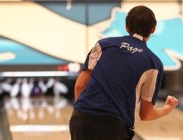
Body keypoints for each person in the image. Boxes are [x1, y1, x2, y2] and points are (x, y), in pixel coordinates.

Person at [69, 5, 179, 140]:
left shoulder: (103, 45)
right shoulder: (153, 63)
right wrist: (167, 108)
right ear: (153, 29)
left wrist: (81, 113)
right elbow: (145, 114)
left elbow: (80, 86)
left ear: (127, 26)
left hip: (80, 120)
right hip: (112, 128)